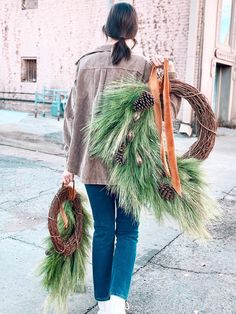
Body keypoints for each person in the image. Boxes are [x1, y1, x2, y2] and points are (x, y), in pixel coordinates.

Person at [62, 3, 181, 313]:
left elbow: (72, 116)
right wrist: (166, 73)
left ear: (106, 28)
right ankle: (117, 300)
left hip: (93, 165)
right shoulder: (144, 66)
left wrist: (69, 166)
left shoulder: (85, 64)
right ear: (134, 32)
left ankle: (103, 301)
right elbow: (167, 111)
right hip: (133, 166)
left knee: (103, 230)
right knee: (127, 231)